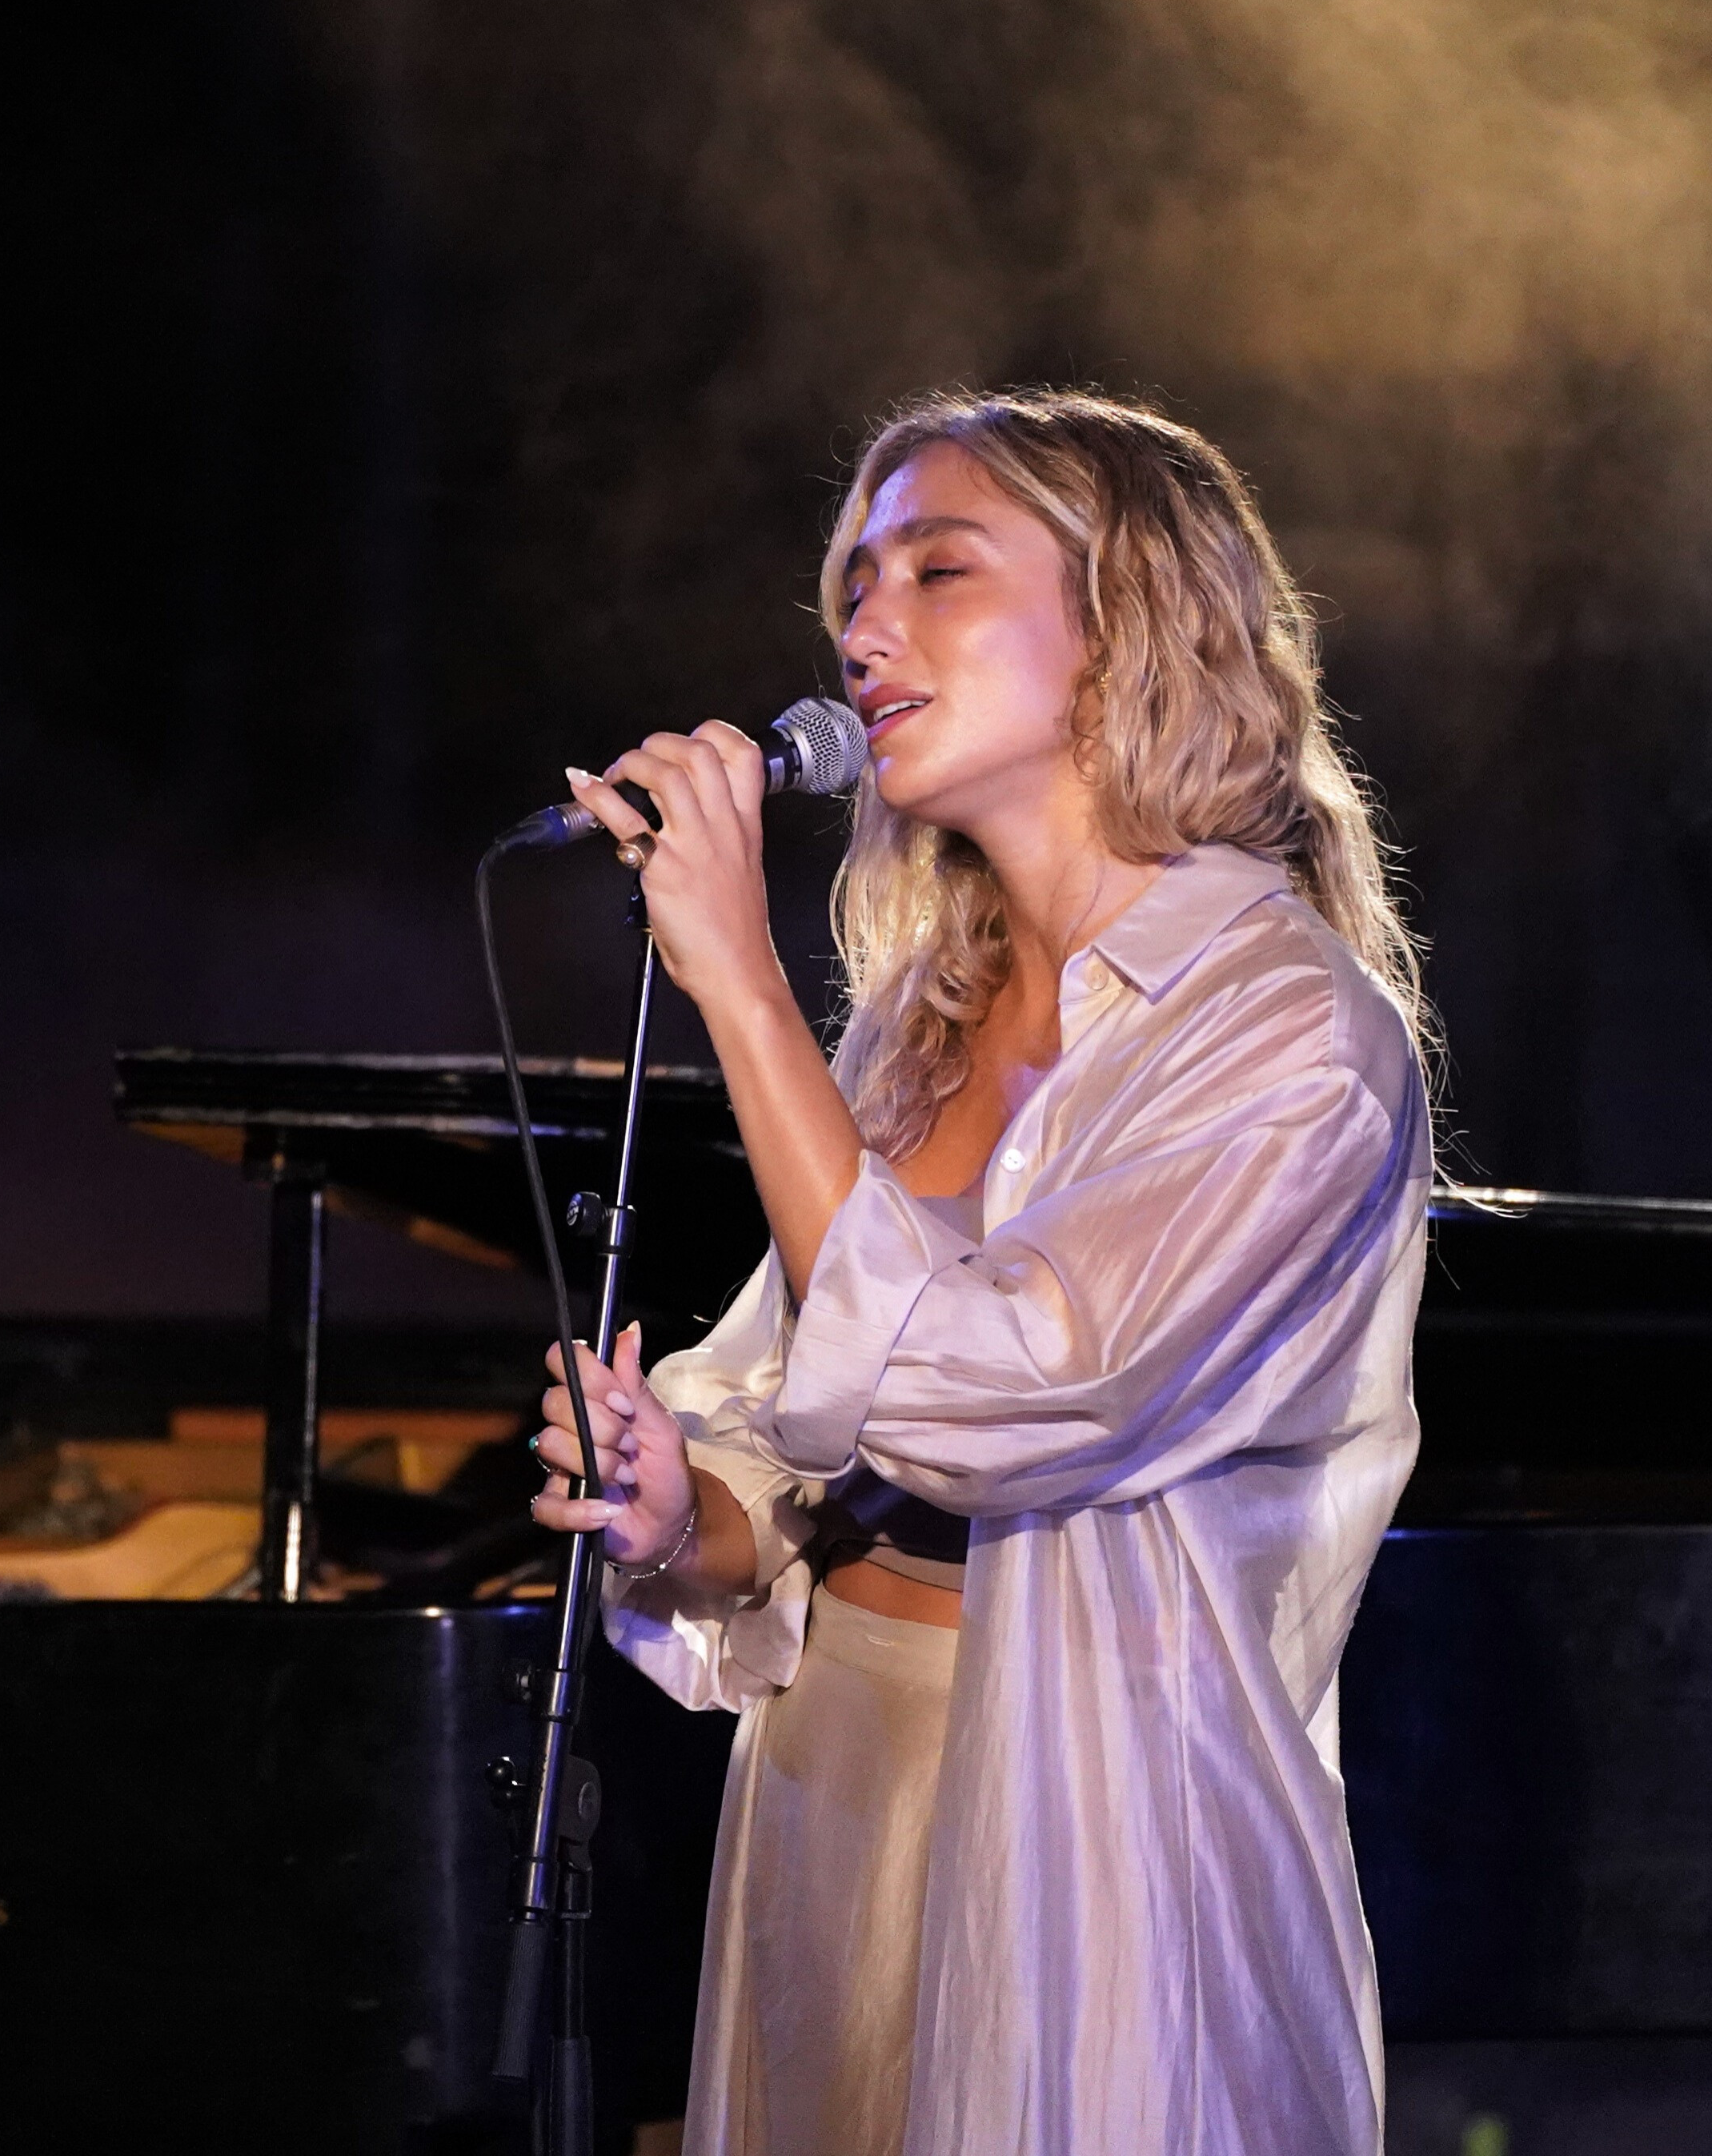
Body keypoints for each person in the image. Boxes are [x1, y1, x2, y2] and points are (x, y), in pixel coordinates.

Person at [530, 392, 1433, 2156]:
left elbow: (1008, 1393)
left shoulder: (1295, 1039)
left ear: (1135, 616)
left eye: (937, 571)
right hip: (832, 1782)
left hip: (1095, 1827)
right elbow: (812, 1456)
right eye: (853, 588)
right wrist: (679, 1510)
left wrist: (738, 983)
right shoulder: (917, 1025)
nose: (865, 631)